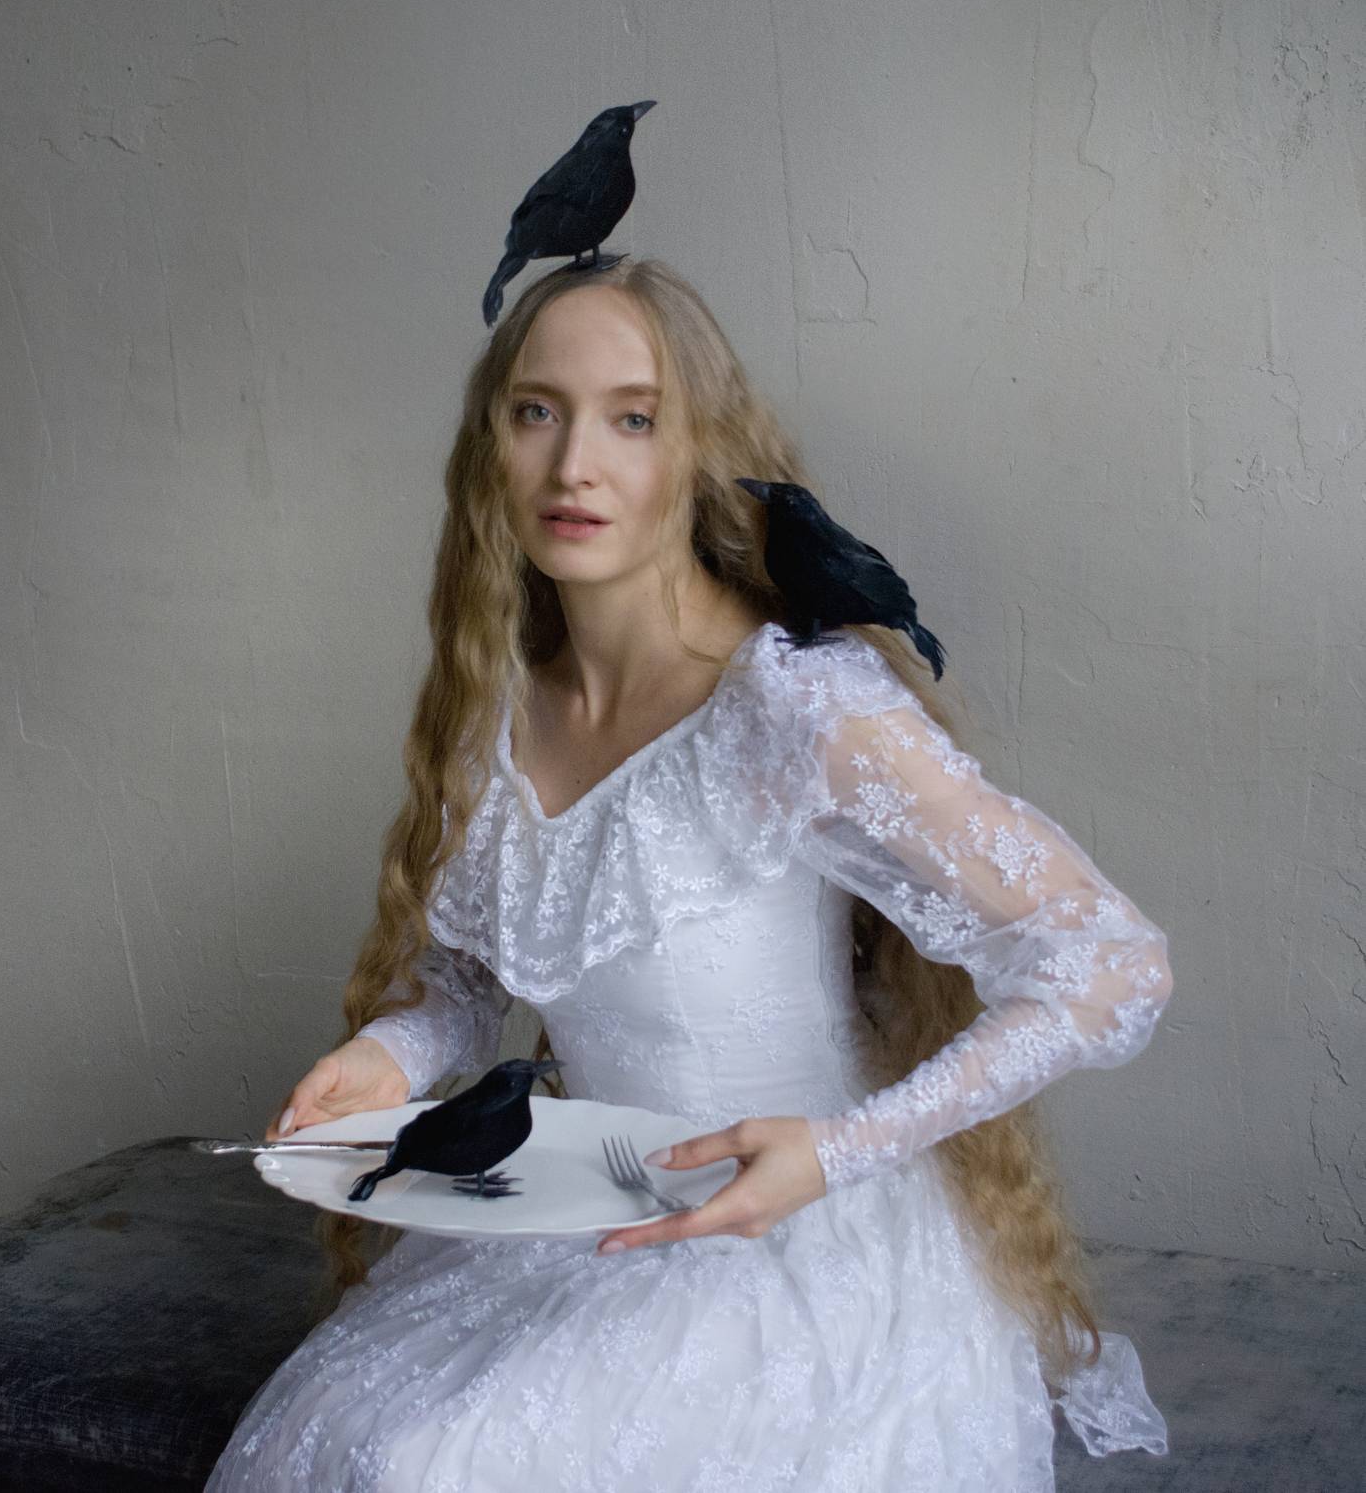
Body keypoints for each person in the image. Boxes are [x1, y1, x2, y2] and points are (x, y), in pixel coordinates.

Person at [206, 258, 1173, 1491]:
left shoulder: (794, 708)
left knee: (434, 1470)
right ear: (489, 441)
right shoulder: (494, 717)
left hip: (795, 1245)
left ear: (700, 451)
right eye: (537, 411)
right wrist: (389, 1057)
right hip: (577, 1208)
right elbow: (470, 979)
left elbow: (1113, 961)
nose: (573, 466)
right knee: (355, 1447)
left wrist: (841, 1150)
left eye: (633, 418)